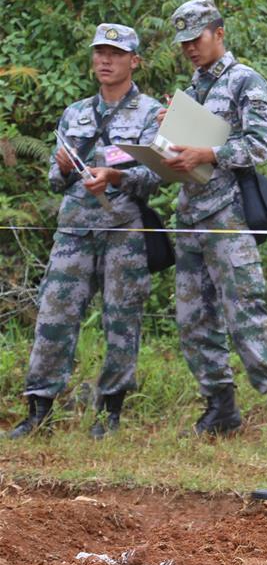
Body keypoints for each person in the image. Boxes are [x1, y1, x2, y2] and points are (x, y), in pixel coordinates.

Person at [8, 24, 162, 440]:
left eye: (115, 53)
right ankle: (38, 410)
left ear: (134, 61)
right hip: (74, 232)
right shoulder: (75, 112)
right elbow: (54, 181)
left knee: (122, 322)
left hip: (123, 233)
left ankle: (109, 415)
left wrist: (115, 177)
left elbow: (154, 177)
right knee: (54, 318)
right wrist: (60, 169)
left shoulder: (151, 114)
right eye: (99, 53)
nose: (105, 61)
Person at [160, 0, 267, 439]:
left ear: (219, 33)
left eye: (195, 38)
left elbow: (258, 147)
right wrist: (169, 138)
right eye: (182, 41)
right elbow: (185, 152)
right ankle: (220, 408)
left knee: (246, 313)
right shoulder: (192, 87)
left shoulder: (246, 82)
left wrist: (210, 151)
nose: (189, 48)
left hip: (229, 217)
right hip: (189, 216)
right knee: (194, 318)